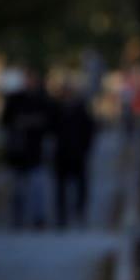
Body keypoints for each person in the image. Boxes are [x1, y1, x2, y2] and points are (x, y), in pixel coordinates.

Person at [1, 70, 53, 228]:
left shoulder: (41, 99)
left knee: (37, 188)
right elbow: (6, 121)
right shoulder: (15, 100)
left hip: (35, 152)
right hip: (19, 154)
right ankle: (18, 217)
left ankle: (38, 218)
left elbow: (48, 122)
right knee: (18, 189)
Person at [53, 82, 96, 228]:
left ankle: (79, 210)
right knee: (61, 186)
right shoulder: (57, 110)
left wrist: (85, 148)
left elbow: (89, 129)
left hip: (77, 153)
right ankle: (62, 214)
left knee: (80, 184)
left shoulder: (80, 110)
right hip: (62, 153)